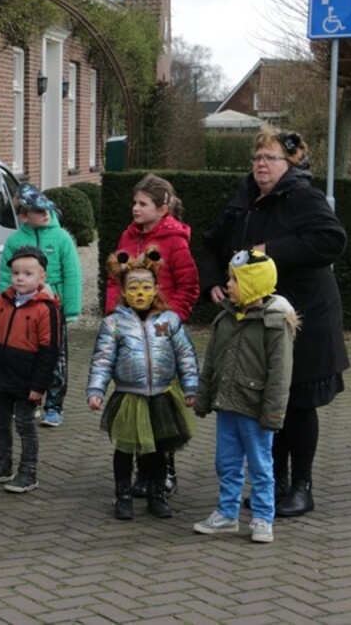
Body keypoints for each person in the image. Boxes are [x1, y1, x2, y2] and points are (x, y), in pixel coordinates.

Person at [200, 127, 348, 517]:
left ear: (290, 164)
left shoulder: (303, 197)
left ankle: (302, 487)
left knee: (297, 402)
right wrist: (212, 281)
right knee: (267, 400)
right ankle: (276, 482)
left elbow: (332, 239)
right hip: (257, 320)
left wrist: (272, 250)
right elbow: (213, 243)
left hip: (304, 318)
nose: (261, 165)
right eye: (257, 158)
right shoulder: (245, 198)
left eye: (270, 158)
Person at [193, 250, 298, 544]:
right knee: (226, 463)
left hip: (255, 409)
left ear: (253, 284)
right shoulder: (226, 317)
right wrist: (203, 397)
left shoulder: (275, 324)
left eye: (235, 280)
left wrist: (273, 413)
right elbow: (211, 362)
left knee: (260, 465)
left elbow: (280, 374)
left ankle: (263, 517)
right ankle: (227, 513)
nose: (228, 284)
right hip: (227, 405)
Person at [105, 174, 199, 499]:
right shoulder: (128, 236)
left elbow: (189, 286)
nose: (135, 208)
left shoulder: (175, 242)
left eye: (143, 203)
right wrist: (114, 314)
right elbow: (114, 280)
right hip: (131, 334)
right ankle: (141, 473)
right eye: (134, 202)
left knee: (160, 407)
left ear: (162, 208)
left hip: (160, 337)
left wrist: (169, 320)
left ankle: (164, 471)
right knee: (134, 403)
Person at [85, 248, 198, 520]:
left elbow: (185, 354)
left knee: (158, 448)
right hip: (129, 396)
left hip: (162, 395)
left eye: (146, 287)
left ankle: (156, 494)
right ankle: (123, 494)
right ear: (123, 292)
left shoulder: (169, 320)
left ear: (156, 289)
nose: (140, 293)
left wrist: (191, 386)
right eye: (133, 288)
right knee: (126, 447)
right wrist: (96, 390)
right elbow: (102, 359)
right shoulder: (114, 323)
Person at [0, 246, 61, 493]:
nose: (20, 278)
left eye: (27, 274)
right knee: (0, 422)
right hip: (1, 374)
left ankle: (28, 472)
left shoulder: (47, 309)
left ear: (42, 277)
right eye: (15, 273)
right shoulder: (2, 300)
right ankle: (3, 465)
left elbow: (49, 352)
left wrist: (39, 386)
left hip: (27, 379)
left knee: (24, 424)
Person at [0, 183, 82, 428]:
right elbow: (5, 276)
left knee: (56, 358)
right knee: (26, 357)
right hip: (24, 309)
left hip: (54, 309)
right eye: (39, 210)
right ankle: (29, 403)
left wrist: (71, 309)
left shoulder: (62, 237)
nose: (46, 214)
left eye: (47, 209)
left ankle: (54, 407)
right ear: (24, 216)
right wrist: (6, 304)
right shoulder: (15, 241)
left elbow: (73, 274)